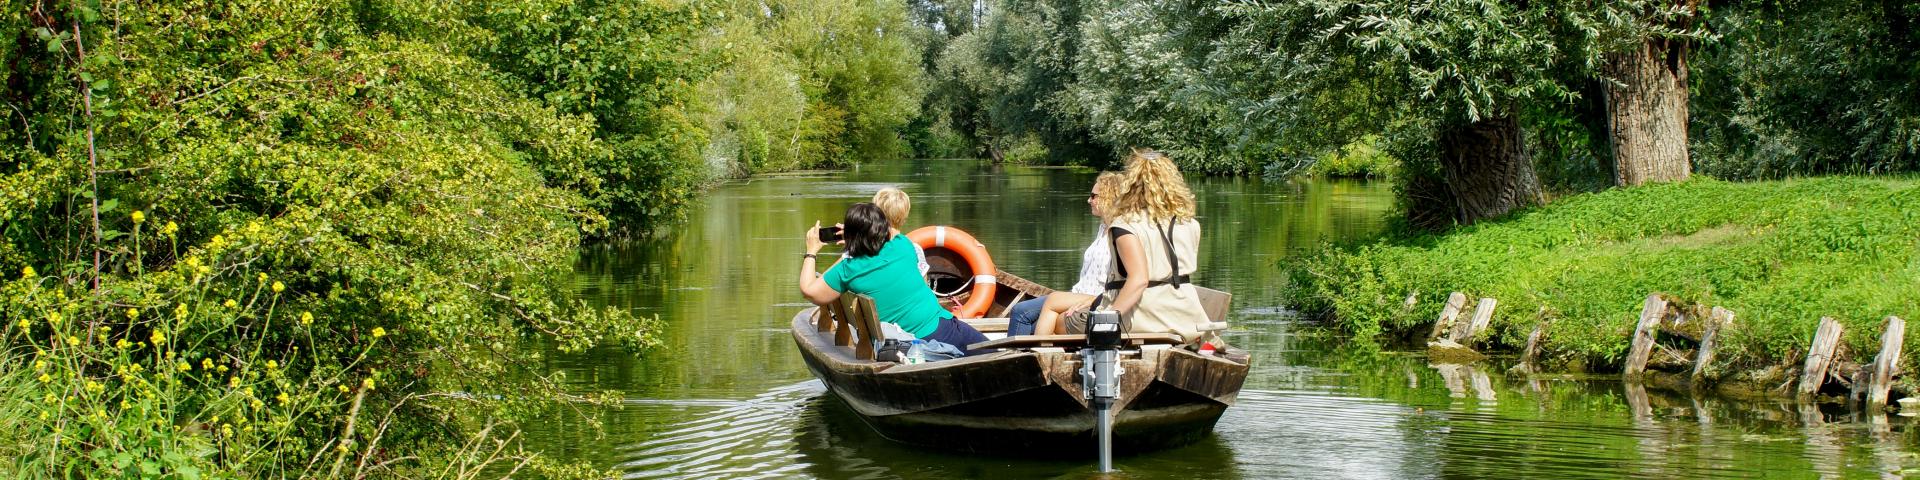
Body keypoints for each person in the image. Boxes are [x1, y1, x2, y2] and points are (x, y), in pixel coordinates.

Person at [1033, 149, 1212, 345]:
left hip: (1142, 318)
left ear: (1132, 184)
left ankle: (1039, 362)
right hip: (1185, 317)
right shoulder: (1190, 224)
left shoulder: (1125, 226)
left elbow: (1139, 280)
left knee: (1059, 321)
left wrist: (1107, 319)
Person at [799, 203, 991, 356]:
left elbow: (809, 290)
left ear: (852, 237)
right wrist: (855, 236)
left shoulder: (848, 269)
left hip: (902, 345)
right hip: (943, 328)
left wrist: (811, 251)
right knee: (995, 353)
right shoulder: (903, 245)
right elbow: (892, 231)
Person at [1006, 172, 1125, 336]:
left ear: (1109, 197)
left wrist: (1094, 300)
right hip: (1077, 293)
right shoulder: (1103, 227)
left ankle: (1019, 359)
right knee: (1027, 317)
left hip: (1095, 296)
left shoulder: (1121, 233)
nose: (1089, 200)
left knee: (1022, 312)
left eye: (1093, 196)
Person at [871, 187, 930, 277]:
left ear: (875, 215)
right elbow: (923, 285)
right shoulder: (914, 249)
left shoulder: (864, 247)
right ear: (904, 219)